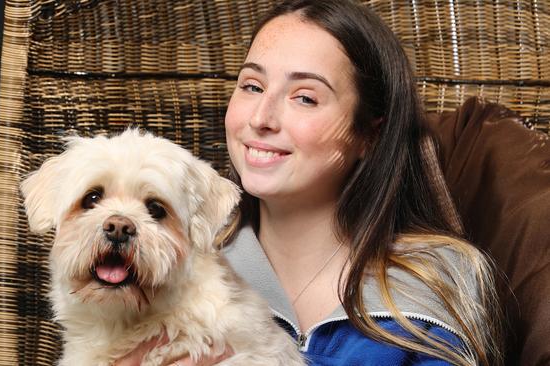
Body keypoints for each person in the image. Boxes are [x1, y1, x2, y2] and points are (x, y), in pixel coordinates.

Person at [115, 0, 503, 365]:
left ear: (369, 134)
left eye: (304, 98)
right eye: (252, 86)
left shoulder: (432, 280)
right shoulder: (168, 270)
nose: (262, 118)